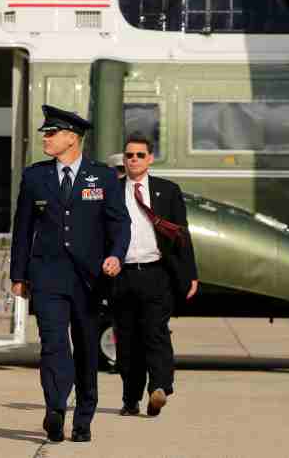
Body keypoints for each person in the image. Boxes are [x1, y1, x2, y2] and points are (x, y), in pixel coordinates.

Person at [10, 105, 130, 443]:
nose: (45, 139)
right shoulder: (35, 176)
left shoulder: (103, 176)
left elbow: (120, 223)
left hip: (89, 278)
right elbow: (23, 229)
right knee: (53, 343)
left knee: (87, 348)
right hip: (47, 274)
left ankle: (84, 418)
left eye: (52, 133)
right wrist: (18, 275)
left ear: (72, 138)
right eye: (46, 133)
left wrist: (116, 255)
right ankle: (56, 409)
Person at [110, 137, 198, 418]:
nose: (134, 159)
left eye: (140, 155)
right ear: (124, 160)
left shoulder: (168, 191)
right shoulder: (112, 191)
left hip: (156, 273)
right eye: (129, 155)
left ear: (150, 159)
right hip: (122, 276)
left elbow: (181, 235)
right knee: (127, 341)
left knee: (156, 333)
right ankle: (131, 398)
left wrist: (190, 274)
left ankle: (159, 387)